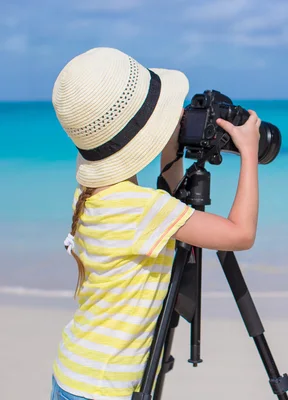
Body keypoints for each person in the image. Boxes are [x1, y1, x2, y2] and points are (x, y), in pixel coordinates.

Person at [50, 47, 261, 400]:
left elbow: (160, 204)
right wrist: (250, 153)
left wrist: (170, 148)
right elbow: (240, 233)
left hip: (75, 372)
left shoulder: (93, 194)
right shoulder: (143, 210)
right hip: (104, 388)